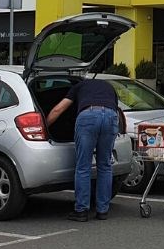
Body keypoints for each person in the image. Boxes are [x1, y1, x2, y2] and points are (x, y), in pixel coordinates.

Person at [46, 77, 120, 222]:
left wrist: (45, 126)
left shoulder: (78, 87)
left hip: (88, 117)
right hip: (111, 117)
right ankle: (102, 211)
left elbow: (59, 109)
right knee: (105, 165)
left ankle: (81, 211)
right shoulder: (108, 86)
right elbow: (114, 108)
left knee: (83, 166)